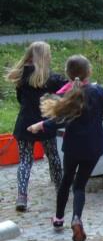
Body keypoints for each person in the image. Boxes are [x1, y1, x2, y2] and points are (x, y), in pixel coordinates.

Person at [27, 55, 103, 241]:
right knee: (80, 185)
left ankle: (58, 219)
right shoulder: (99, 91)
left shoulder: (67, 94)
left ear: (67, 74)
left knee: (66, 180)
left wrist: (40, 125)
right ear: (90, 71)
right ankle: (76, 218)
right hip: (94, 147)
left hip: (73, 147)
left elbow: (57, 121)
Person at [6, 42, 65, 212]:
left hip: (25, 123)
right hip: (45, 123)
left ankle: (22, 197)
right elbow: (67, 90)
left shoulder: (20, 76)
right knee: (53, 157)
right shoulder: (51, 78)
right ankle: (60, 190)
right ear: (44, 57)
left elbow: (19, 99)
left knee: (25, 160)